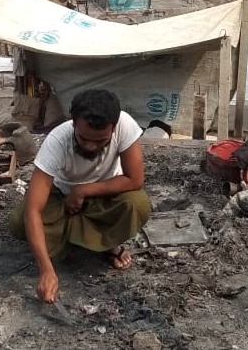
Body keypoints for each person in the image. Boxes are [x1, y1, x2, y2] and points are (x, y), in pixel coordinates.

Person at [9, 89, 151, 304]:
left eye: (101, 140)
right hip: (61, 197)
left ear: (113, 128)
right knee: (20, 222)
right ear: (73, 124)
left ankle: (105, 245)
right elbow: (33, 210)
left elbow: (134, 180)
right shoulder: (57, 141)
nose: (91, 146)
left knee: (137, 203)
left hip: (104, 193)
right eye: (83, 138)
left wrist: (83, 190)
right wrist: (46, 270)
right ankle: (81, 241)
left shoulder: (125, 125)